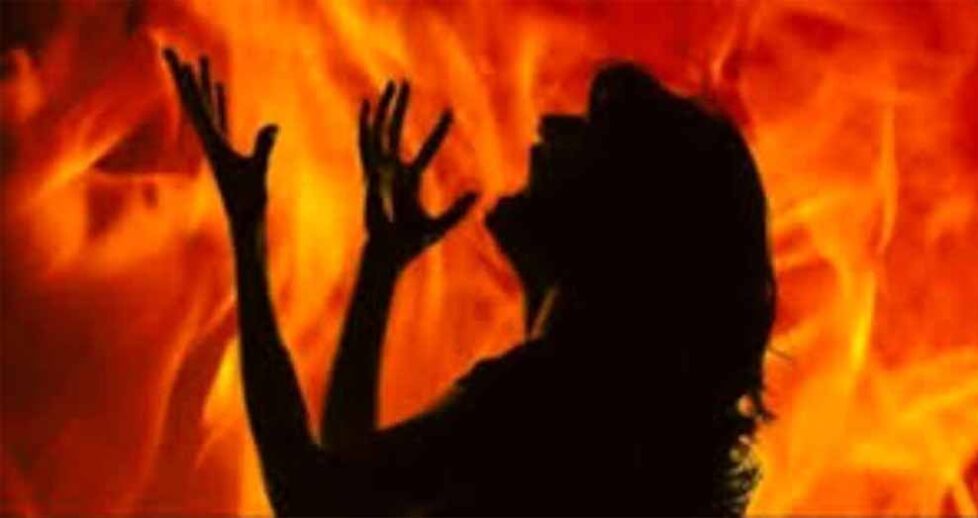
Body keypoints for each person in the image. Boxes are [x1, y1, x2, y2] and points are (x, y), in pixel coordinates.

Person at [163, 48, 775, 516]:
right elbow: (362, 485)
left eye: (589, 133)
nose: (551, 126)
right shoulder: (600, 409)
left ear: (619, 216)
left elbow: (311, 499)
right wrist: (379, 268)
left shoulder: (548, 401)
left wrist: (247, 231)